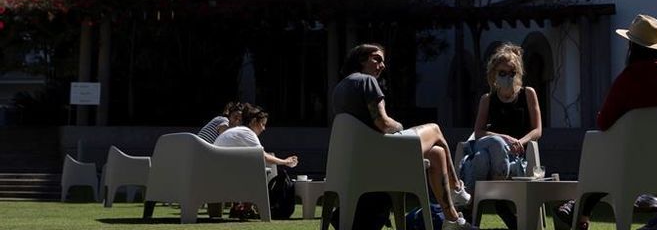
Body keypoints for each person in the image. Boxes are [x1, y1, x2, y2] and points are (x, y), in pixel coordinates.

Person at [555, 14, 657, 230]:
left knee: (601, 151)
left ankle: (579, 210)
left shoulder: (630, 78)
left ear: (633, 48)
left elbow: (604, 121)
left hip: (632, 163)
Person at [331, 43, 476, 230]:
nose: (382, 65)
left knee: (436, 153)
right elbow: (382, 123)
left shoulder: (340, 88)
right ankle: (457, 188)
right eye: (377, 59)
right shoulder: (366, 81)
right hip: (381, 156)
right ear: (361, 60)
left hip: (362, 160)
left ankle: (453, 220)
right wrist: (399, 126)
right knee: (435, 129)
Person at [458, 43, 541, 229]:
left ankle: (469, 208)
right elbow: (478, 132)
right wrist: (503, 138)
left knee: (479, 158)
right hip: (494, 151)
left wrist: (520, 141)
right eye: (502, 73)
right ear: (493, 74)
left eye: (511, 73)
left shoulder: (528, 94)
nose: (507, 77)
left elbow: (537, 130)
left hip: (516, 157)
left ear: (517, 73)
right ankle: (500, 204)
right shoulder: (487, 99)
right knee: (492, 145)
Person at [215, 104, 299, 219]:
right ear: (254, 121)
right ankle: (247, 208)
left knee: (252, 167)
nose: (264, 128)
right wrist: (285, 162)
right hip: (226, 177)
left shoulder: (234, 132)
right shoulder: (247, 133)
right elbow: (263, 156)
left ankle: (241, 208)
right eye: (263, 124)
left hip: (218, 175)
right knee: (262, 170)